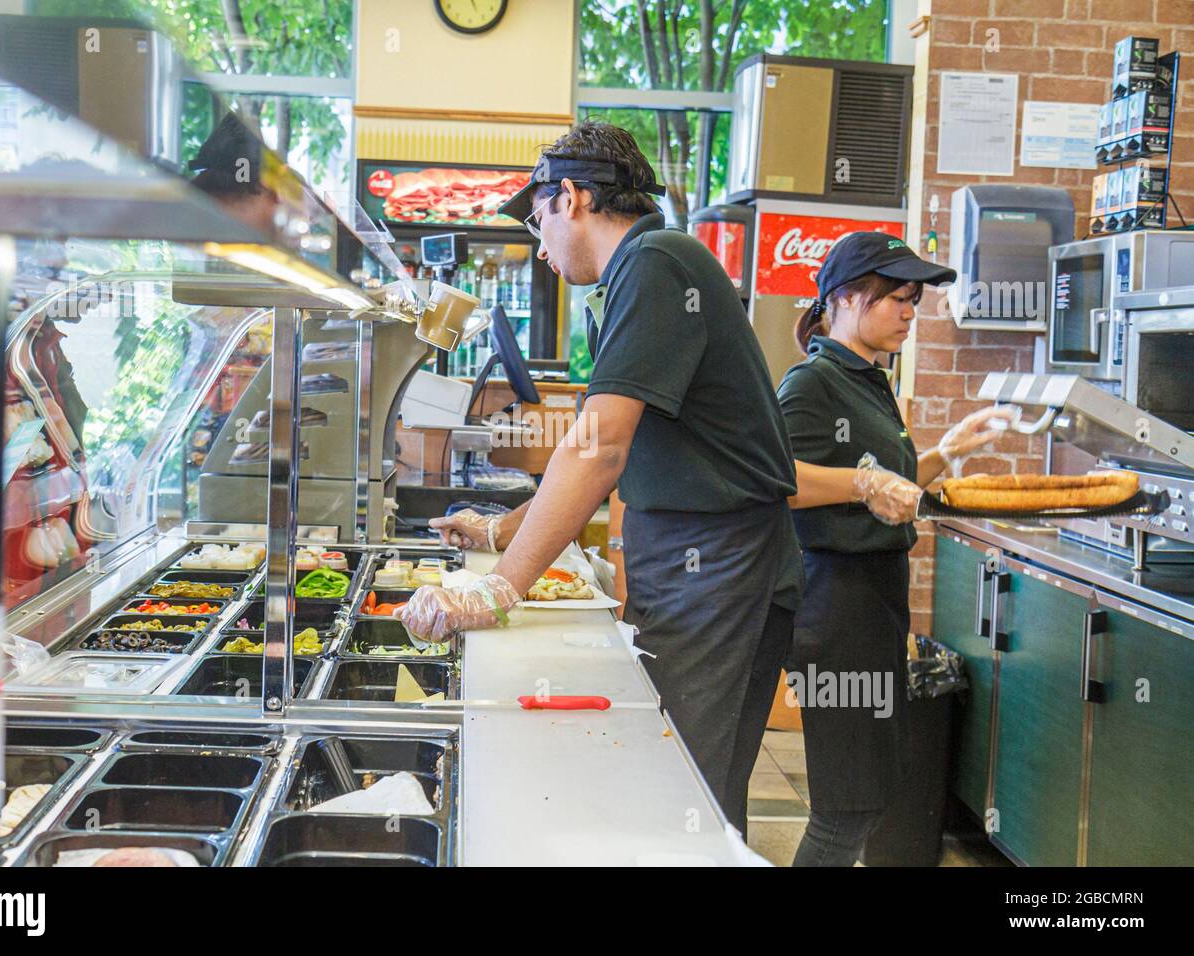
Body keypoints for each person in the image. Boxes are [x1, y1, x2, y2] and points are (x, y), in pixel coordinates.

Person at [400, 121, 883, 832]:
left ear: (571, 197)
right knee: (700, 802)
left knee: (677, 801)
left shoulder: (657, 263)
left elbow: (597, 450)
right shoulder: (646, 271)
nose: (539, 246)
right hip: (706, 572)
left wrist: (502, 585)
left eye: (538, 221)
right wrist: (505, 528)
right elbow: (619, 447)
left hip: (720, 577)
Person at [776, 232, 1015, 866]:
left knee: (870, 797)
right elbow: (777, 481)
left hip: (873, 606)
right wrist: (860, 480)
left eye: (915, 299)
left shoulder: (868, 380)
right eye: (899, 298)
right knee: (848, 805)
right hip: (833, 609)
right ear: (847, 298)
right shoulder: (814, 383)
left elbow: (890, 489)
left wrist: (949, 452)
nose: (912, 312)